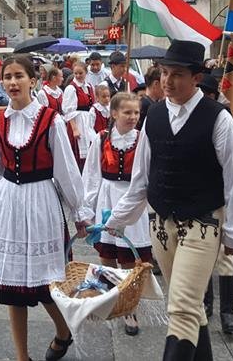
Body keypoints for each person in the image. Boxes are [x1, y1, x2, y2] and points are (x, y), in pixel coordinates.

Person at [105, 39, 233, 359]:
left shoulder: (218, 119)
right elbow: (142, 178)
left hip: (203, 222)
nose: (167, 80)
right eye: (165, 72)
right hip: (161, 225)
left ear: (196, 77)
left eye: (177, 74)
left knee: (182, 307)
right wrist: (117, 220)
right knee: (188, 304)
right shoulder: (154, 115)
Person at [0, 55, 92, 361]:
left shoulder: (50, 119)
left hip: (41, 202)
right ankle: (21, 356)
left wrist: (79, 212)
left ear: (33, 80)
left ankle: (63, 331)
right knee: (11, 290)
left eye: (19, 76)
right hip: (8, 204)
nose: (13, 82)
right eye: (8, 77)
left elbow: (66, 170)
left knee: (46, 284)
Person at [82, 92, 149, 336]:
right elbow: (91, 175)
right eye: (127, 112)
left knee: (130, 257)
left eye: (136, 112)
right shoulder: (102, 138)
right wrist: (87, 210)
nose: (133, 117)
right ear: (114, 113)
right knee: (107, 254)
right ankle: (110, 299)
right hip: (107, 197)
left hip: (133, 200)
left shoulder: (142, 139)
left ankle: (129, 306)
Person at [61, 61, 95, 170]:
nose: (78, 76)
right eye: (76, 73)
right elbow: (68, 111)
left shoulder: (89, 87)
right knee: (78, 152)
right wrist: (75, 129)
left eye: (80, 73)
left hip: (88, 121)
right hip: (77, 122)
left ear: (86, 73)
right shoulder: (71, 88)